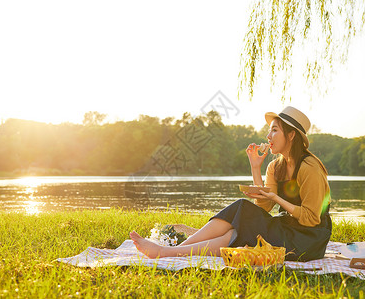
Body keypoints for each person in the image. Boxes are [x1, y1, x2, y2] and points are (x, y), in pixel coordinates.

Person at [130, 106, 332, 261]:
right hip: (286, 227)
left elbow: (311, 219)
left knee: (241, 227)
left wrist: (277, 197)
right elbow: (264, 207)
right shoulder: (275, 166)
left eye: (274, 131)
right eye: (269, 131)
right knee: (241, 216)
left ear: (291, 135)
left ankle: (167, 252)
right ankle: (171, 251)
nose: (268, 137)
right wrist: (255, 168)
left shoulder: (309, 167)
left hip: (308, 239)